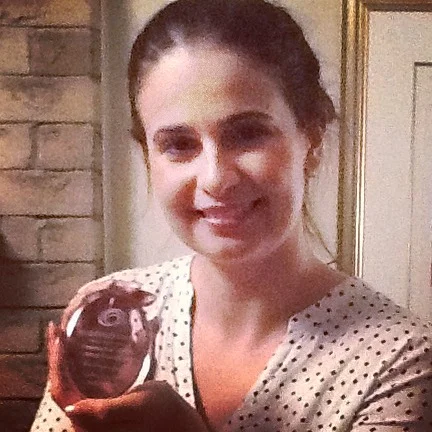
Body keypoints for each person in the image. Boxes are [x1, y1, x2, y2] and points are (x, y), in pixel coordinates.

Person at [30, 0, 432, 431]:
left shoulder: (398, 358)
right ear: (148, 157)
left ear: (311, 140)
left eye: (248, 134)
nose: (216, 179)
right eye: (178, 144)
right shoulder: (107, 314)